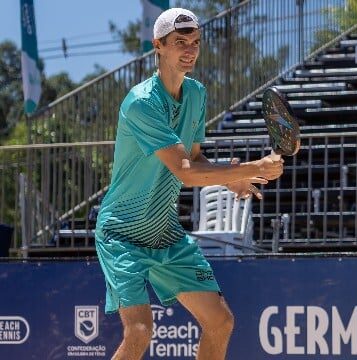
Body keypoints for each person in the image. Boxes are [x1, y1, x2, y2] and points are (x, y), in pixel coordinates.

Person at [95, 8, 283, 360]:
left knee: (220, 322)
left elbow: (195, 160)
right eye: (180, 42)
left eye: (195, 43)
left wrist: (234, 181)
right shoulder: (141, 103)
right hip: (121, 233)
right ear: (158, 46)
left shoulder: (196, 94)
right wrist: (250, 168)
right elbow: (185, 171)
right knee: (139, 330)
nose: (190, 50)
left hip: (164, 232)